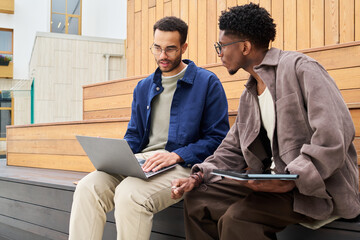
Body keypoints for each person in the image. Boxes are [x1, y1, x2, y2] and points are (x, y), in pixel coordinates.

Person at [171, 3, 360, 240]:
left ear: (245, 47)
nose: (219, 53)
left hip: (312, 188)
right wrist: (197, 177)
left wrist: (292, 178)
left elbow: (334, 135)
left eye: (222, 46)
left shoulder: (301, 69)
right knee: (199, 199)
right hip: (270, 183)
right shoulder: (249, 94)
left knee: (238, 218)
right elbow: (232, 148)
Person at [69, 16, 229, 240]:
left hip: (183, 164)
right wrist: (113, 153)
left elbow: (217, 139)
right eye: (157, 48)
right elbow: (135, 135)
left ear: (184, 47)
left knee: (129, 194)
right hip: (143, 162)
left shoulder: (207, 83)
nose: (162, 56)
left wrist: (176, 155)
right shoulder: (143, 87)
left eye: (170, 49)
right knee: (87, 187)